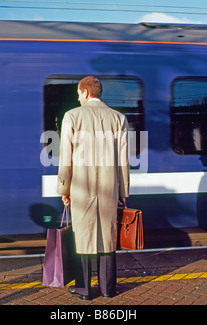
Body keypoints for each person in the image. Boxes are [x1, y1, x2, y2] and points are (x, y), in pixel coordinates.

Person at [57, 76, 129, 300]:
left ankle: (85, 289)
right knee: (108, 237)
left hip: (81, 188)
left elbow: (65, 159)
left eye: (79, 93)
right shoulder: (119, 119)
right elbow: (123, 161)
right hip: (110, 188)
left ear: (86, 92)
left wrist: (64, 189)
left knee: (83, 236)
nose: (78, 98)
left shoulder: (72, 116)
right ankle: (109, 289)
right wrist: (122, 192)